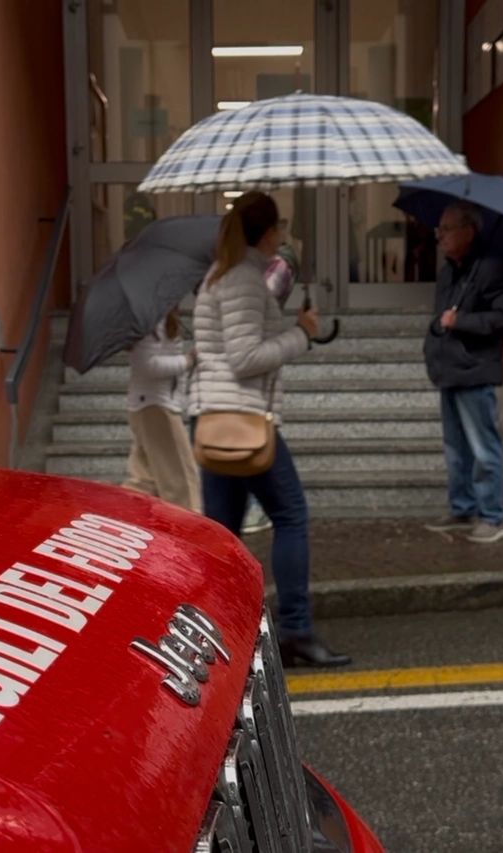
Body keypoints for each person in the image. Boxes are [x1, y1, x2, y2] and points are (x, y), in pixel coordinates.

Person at [192, 191, 350, 668]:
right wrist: (301, 333)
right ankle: (296, 630)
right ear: (266, 233)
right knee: (291, 515)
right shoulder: (241, 279)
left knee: (224, 534)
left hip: (217, 417)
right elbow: (244, 359)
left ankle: (217, 633)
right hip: (242, 417)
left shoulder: (222, 275)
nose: (283, 234)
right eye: (279, 227)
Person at [422, 202, 503, 544]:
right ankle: (462, 507)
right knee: (455, 447)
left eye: (447, 229)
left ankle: (493, 516)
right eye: (439, 229)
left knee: (483, 447)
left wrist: (460, 321)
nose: (440, 236)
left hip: (475, 370)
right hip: (448, 368)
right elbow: (441, 315)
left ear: (469, 231)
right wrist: (439, 326)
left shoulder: (491, 268)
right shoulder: (450, 270)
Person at [242, 218, 299, 536]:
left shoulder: (279, 263)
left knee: (256, 437)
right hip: (253, 367)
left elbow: (257, 303)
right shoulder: (261, 265)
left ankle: (258, 507)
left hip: (258, 367)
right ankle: (255, 505)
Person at [122, 307, 201, 512]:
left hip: (150, 404)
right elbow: (147, 364)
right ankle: (190, 534)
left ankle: (121, 519)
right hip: (155, 405)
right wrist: (187, 361)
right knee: (180, 479)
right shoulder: (150, 319)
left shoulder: (159, 316)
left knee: (144, 480)